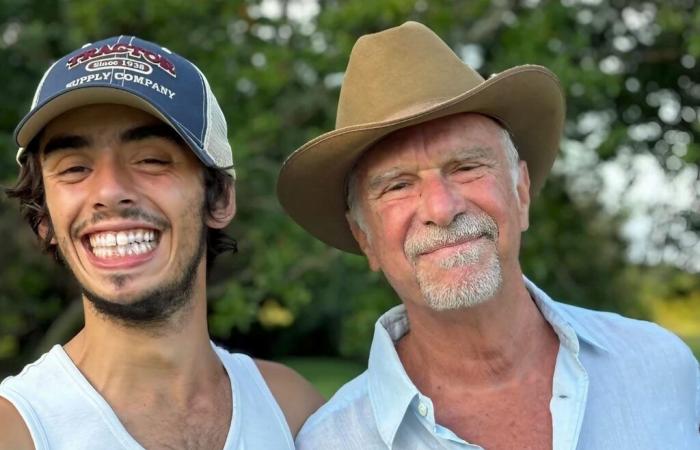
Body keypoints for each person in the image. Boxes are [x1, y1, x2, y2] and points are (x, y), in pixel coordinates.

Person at [278, 21, 700, 450]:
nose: (442, 209)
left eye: (466, 166)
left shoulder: (661, 367)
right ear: (364, 237)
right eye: (397, 186)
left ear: (521, 192)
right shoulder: (332, 442)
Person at [0, 36, 323, 450]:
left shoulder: (294, 413)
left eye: (151, 159)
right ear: (44, 217)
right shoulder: (15, 432)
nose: (111, 190)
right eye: (75, 168)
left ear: (220, 197)